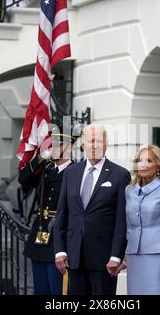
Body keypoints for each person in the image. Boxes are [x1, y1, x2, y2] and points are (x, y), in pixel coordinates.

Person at [54, 124, 131, 295]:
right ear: (83, 144)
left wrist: (116, 256)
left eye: (99, 141)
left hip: (104, 261)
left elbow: (121, 221)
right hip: (74, 258)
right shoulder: (71, 173)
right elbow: (62, 214)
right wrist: (60, 250)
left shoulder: (120, 175)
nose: (94, 145)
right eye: (90, 141)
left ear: (106, 144)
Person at [116, 144, 160, 295]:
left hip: (159, 258)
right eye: (140, 160)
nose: (144, 164)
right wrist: (125, 259)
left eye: (149, 161)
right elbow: (128, 228)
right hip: (134, 259)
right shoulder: (129, 191)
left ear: (158, 165)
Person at [19, 124, 77, 295]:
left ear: (70, 146)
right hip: (41, 233)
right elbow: (23, 179)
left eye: (60, 144)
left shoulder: (76, 171)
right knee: (41, 288)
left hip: (60, 236)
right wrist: (39, 158)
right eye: (53, 143)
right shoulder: (46, 169)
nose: (55, 147)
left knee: (57, 289)